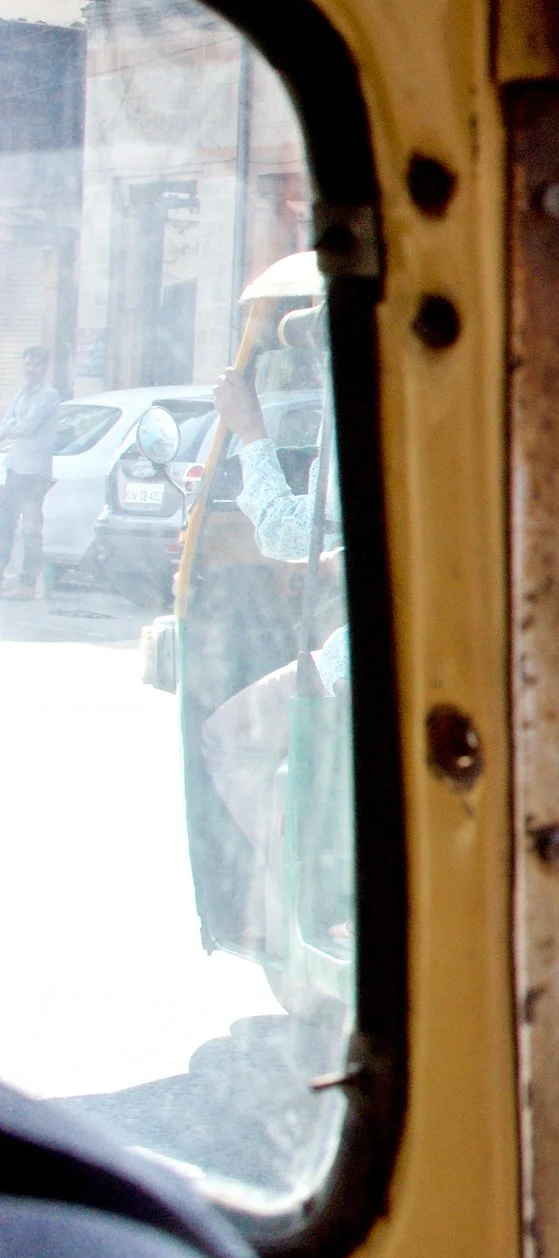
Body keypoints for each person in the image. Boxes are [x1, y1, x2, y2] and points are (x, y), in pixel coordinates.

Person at [201, 317, 348, 953]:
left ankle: (299, 868)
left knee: (227, 737)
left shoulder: (364, 414)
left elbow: (289, 533)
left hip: (369, 659)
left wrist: (250, 432)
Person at [0, 344, 60, 598]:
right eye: (27, 364)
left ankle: (27, 584)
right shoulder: (21, 393)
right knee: (4, 525)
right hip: (14, 468)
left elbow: (27, 427)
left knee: (31, 530)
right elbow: (7, 422)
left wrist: (13, 426)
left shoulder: (49, 395)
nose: (30, 369)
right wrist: (14, 425)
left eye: (35, 364)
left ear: (44, 367)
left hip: (35, 473)